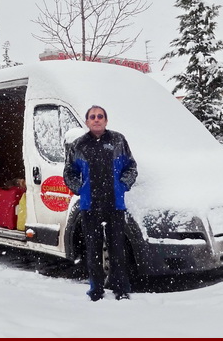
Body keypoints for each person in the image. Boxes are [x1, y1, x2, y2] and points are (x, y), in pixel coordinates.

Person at [63, 105, 138, 301]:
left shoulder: (118, 141)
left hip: (115, 204)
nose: (96, 119)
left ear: (106, 120)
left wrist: (123, 185)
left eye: (100, 116)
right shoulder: (79, 145)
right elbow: (69, 172)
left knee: (117, 249)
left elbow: (131, 167)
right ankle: (96, 289)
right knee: (93, 250)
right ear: (87, 122)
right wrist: (80, 188)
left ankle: (121, 289)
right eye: (92, 117)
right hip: (90, 205)